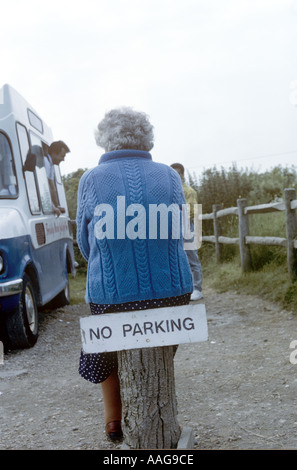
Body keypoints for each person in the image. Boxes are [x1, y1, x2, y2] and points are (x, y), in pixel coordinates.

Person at [76, 107, 193, 442]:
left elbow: (86, 242)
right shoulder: (170, 176)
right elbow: (182, 231)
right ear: (146, 138)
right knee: (156, 347)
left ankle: (114, 418)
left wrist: (111, 263)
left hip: (112, 296)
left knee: (102, 351)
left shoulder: (91, 179)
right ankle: (158, 412)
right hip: (172, 291)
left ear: (104, 140)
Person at [171, 163, 203, 301]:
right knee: (177, 258)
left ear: (182, 175)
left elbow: (191, 211)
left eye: (178, 174)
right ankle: (183, 288)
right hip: (173, 226)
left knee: (191, 257)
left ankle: (197, 288)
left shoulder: (189, 191)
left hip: (186, 225)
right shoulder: (170, 191)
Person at [44, 140, 70, 216]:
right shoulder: (45, 162)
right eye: (62, 156)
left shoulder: (51, 164)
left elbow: (52, 187)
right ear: (54, 154)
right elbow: (44, 187)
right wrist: (51, 207)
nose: (63, 160)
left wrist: (56, 206)